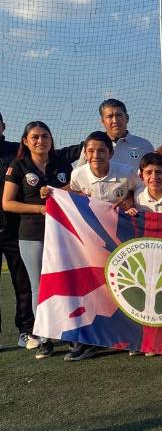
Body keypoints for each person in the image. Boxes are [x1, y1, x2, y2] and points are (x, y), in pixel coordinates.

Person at [66, 131, 141, 361]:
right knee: (93, 289)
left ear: (110, 152)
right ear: (85, 153)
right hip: (90, 243)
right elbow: (73, 195)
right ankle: (91, 340)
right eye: (90, 151)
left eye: (101, 150)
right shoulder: (78, 174)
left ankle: (131, 337)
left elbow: (137, 193)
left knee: (125, 286)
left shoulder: (126, 173)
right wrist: (52, 193)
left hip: (121, 241)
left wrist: (128, 200)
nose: (95, 155)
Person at [3, 121, 73, 359]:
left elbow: (73, 194)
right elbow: (7, 203)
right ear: (25, 141)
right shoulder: (19, 165)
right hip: (31, 234)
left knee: (65, 282)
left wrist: (59, 193)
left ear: (51, 140)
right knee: (38, 287)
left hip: (63, 233)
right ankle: (44, 337)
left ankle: (68, 333)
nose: (40, 141)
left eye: (45, 136)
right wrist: (40, 209)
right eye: (35, 137)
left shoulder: (62, 164)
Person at [0, 112, 35, 350]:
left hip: (15, 229)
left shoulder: (17, 151)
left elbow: (54, 154)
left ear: (3, 126)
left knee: (23, 283)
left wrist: (88, 145)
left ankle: (27, 330)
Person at [84, 99, 155, 170]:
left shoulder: (145, 145)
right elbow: (80, 175)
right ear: (102, 121)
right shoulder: (90, 147)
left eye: (118, 115)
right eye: (110, 116)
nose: (115, 120)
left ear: (127, 118)